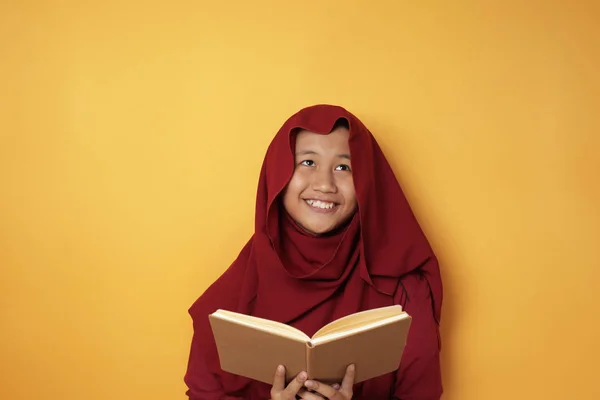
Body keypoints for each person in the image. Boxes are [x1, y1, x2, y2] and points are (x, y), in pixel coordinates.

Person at [184, 104, 443, 400]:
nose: (324, 184)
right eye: (307, 162)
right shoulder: (227, 302)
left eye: (344, 167)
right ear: (277, 174)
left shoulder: (405, 292)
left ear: (369, 182)